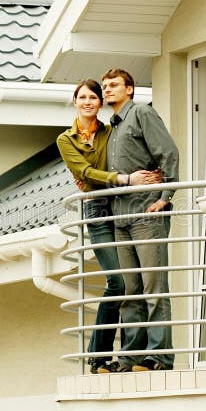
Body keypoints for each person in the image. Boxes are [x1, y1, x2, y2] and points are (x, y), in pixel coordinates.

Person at [56, 78, 161, 374]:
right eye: (82, 97)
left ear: (100, 102)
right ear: (75, 102)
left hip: (121, 206)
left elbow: (118, 160)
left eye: (93, 97)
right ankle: (98, 356)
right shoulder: (66, 139)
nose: (88, 102)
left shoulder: (110, 131)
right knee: (117, 283)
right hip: (98, 208)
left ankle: (129, 356)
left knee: (131, 284)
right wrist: (120, 179)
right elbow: (84, 171)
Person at [98, 68, 179, 373]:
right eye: (105, 86)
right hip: (121, 217)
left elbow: (168, 152)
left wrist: (165, 195)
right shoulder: (111, 129)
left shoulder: (142, 113)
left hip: (147, 213)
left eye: (114, 85)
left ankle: (159, 357)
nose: (108, 90)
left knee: (153, 287)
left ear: (129, 89)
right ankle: (130, 357)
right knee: (131, 290)